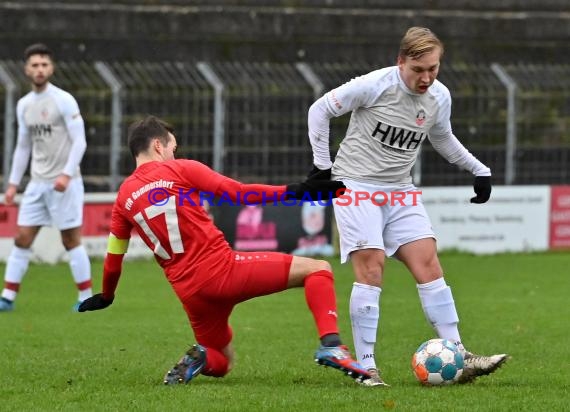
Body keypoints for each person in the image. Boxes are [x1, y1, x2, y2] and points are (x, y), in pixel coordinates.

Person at [77, 115, 371, 385]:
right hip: (223, 270)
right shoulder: (179, 169)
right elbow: (238, 193)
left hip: (189, 293)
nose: (173, 154)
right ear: (157, 145)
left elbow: (114, 257)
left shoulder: (122, 200)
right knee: (318, 269)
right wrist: (296, 191)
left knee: (223, 361)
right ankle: (332, 346)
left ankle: (203, 357)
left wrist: (107, 295)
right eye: (172, 147)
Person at [305, 27, 508, 386]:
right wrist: (322, 166)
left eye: (433, 68)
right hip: (355, 185)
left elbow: (442, 137)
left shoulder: (439, 96)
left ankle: (460, 357)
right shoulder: (374, 85)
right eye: (419, 69)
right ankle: (365, 368)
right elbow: (319, 109)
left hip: (400, 190)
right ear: (401, 62)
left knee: (428, 263)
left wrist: (479, 169)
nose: (427, 77)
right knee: (372, 267)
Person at [0, 43, 92, 312]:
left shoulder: (63, 100)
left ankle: (85, 297)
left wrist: (65, 174)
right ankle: (7, 297)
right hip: (37, 184)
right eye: (35, 65)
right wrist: (13, 184)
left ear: (51, 68)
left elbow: (80, 142)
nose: (39, 69)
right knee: (22, 238)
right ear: (26, 69)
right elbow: (23, 146)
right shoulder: (24, 105)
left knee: (70, 240)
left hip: (65, 183)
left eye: (44, 64)